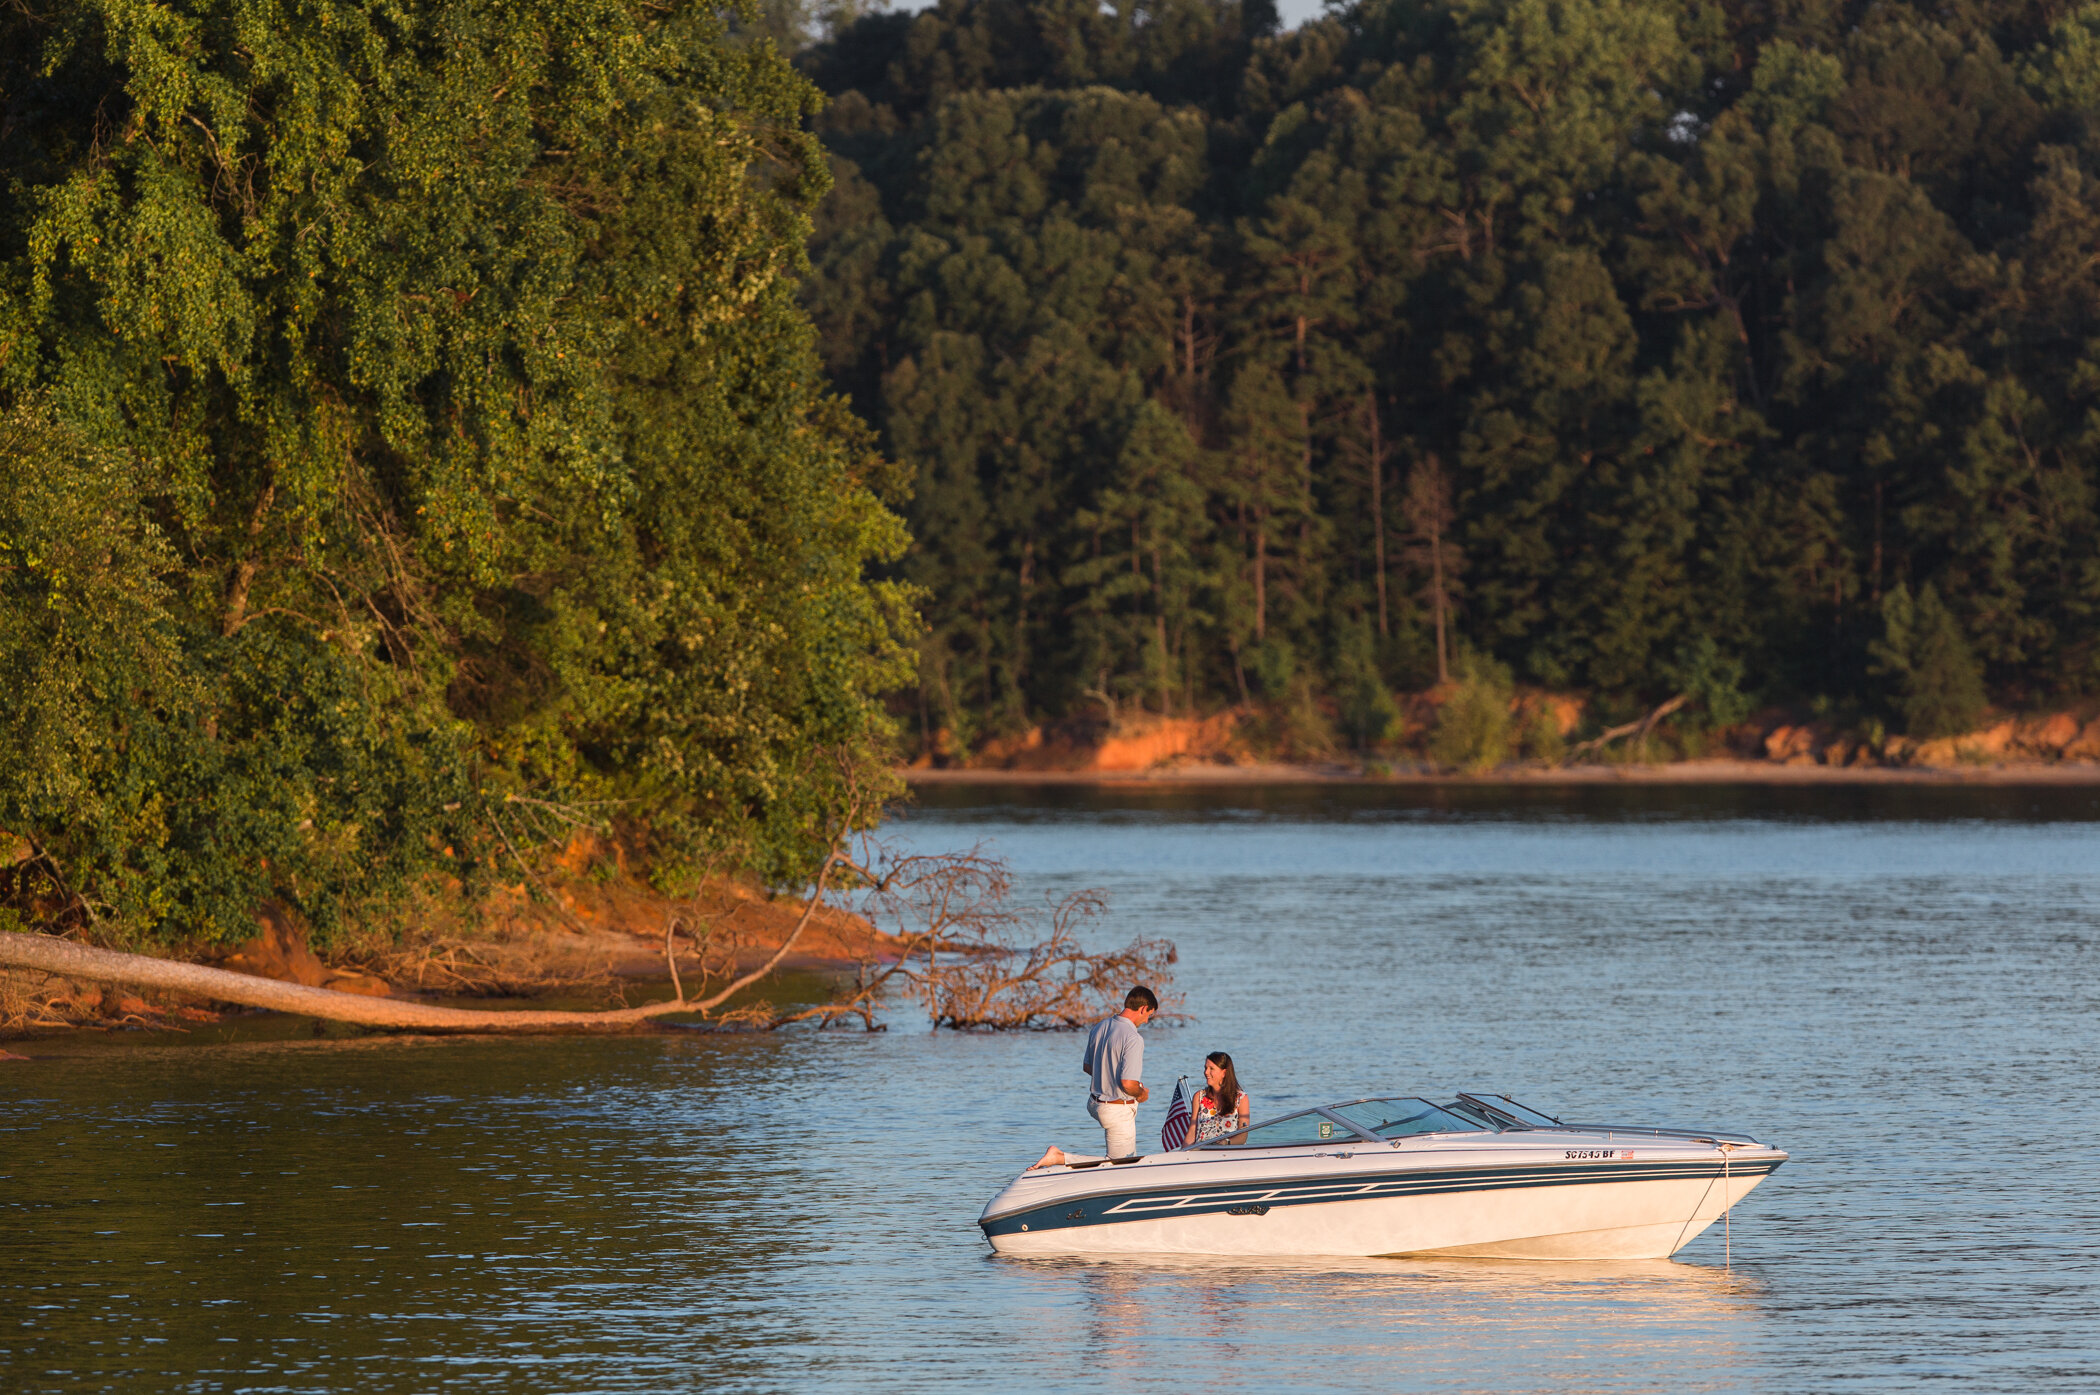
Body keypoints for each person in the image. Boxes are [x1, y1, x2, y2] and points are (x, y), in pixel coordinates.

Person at [1079, 985, 1157, 1159]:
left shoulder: (1099, 1026)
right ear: (1143, 1009)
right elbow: (1128, 1084)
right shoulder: (1133, 1037)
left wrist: (1109, 1076)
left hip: (1095, 1104)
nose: (1146, 1022)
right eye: (1149, 1016)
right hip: (1116, 1110)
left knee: (1117, 1165)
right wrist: (1141, 1093)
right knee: (1123, 1166)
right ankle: (1060, 1157)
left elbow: (1088, 1067)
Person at [1189, 1051, 1251, 1144]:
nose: (1206, 1072)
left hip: (1229, 1153)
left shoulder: (1241, 1098)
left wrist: (1226, 1142)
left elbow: (1243, 1136)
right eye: (1205, 1068)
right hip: (1201, 1153)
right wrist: (1183, 1154)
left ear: (1224, 1073)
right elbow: (1191, 1132)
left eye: (1211, 1069)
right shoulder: (1199, 1097)